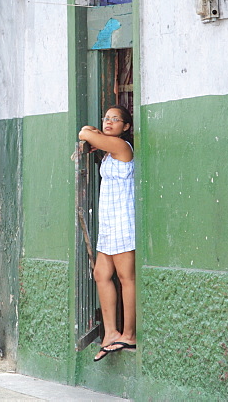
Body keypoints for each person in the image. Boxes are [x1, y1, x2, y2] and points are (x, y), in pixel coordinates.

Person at [78, 105, 136, 362]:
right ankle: (111, 331)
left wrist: (95, 135)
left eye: (116, 119)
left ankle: (129, 334)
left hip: (124, 219)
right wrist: (97, 136)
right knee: (101, 274)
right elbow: (90, 134)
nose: (109, 121)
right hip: (109, 222)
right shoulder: (109, 152)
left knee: (126, 277)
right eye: (107, 118)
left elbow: (85, 134)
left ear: (126, 127)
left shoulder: (123, 148)